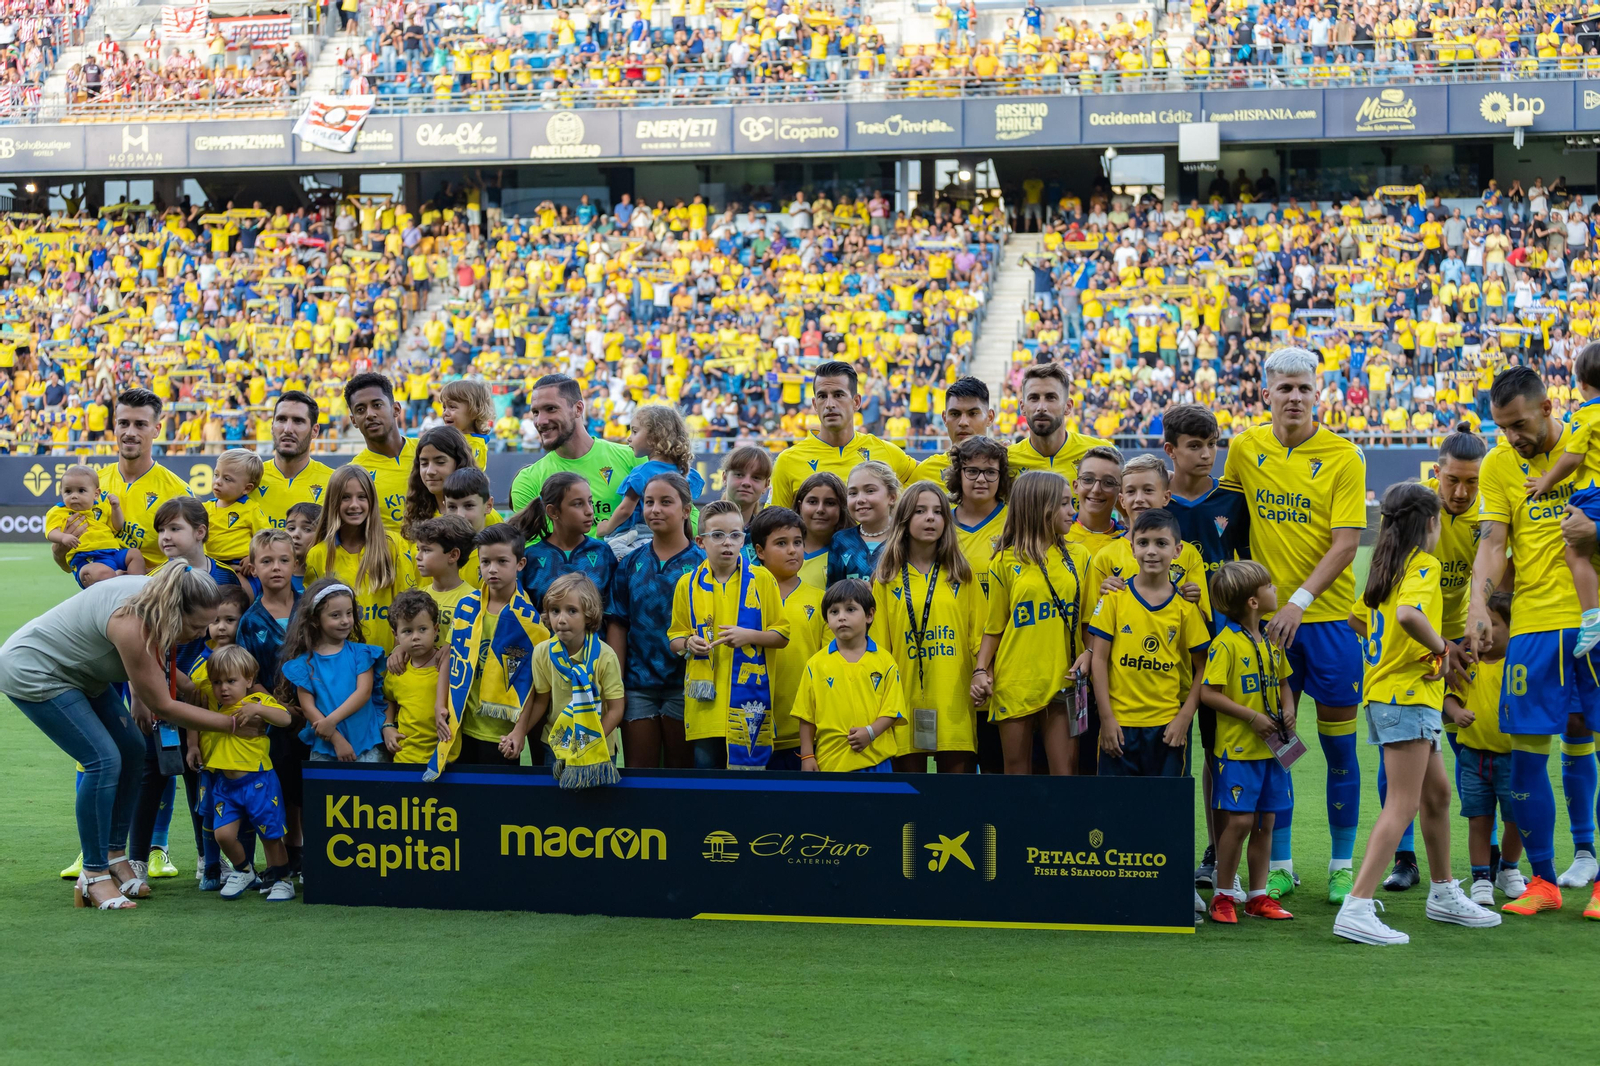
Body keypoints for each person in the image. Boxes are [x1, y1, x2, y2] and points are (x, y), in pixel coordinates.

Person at [1220, 346, 1367, 903]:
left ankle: (1340, 865)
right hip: (1264, 627)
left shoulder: (1344, 455)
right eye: (1285, 387)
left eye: (1305, 387)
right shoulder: (1244, 447)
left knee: (1338, 751)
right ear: (1267, 394)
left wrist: (1299, 600)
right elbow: (1227, 526)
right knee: (1275, 741)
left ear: (1318, 393)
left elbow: (1347, 543)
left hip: (1325, 623)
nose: (1296, 397)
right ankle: (1279, 865)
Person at [0, 566, 233, 908]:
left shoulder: (158, 596)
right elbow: (164, 705)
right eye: (197, 626)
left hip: (81, 672)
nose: (202, 634)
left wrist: (190, 686)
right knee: (103, 760)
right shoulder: (132, 623)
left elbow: (156, 667)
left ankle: (113, 856)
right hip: (37, 671)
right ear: (174, 609)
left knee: (133, 749)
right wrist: (230, 724)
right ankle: (93, 876)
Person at [1337, 483, 1501, 944]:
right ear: (1432, 524)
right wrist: (1444, 650)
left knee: (1437, 796)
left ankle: (1444, 892)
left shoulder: (1383, 567)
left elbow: (1358, 620)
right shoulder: (1422, 565)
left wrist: (1396, 654)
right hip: (1405, 697)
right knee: (1404, 803)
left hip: (1395, 694)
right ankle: (1358, 904)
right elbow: (1409, 615)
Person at [1470, 365, 1600, 916]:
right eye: (1502, 427)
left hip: (1593, 620)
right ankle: (1543, 881)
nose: (1511, 438)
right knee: (1523, 755)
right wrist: (1477, 604)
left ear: (1548, 409)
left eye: (1519, 425)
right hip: (1532, 627)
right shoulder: (1499, 465)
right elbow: (1495, 542)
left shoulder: (1589, 442)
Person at [1380, 424, 1490, 891]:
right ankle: (1405, 858)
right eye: (1452, 481)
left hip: (1460, 642)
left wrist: (1466, 639)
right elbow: (1382, 595)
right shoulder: (1416, 511)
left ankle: (1483, 860)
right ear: (1436, 473)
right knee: (1404, 758)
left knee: (1471, 747)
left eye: (1472, 482)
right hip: (1415, 649)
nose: (1461, 492)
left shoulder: (1489, 516)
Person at [1162, 403, 1249, 889]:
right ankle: (1159, 847)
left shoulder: (1232, 503)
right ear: (1171, 450)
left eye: (1212, 445)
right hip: (1162, 651)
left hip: (1219, 651)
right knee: (1170, 752)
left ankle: (1217, 854)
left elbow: (1245, 570)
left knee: (1221, 754)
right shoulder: (1155, 503)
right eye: (1195, 446)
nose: (1206, 454)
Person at [974, 470, 1094, 775]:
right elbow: (995, 627)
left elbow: (1088, 621)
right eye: (1065, 503)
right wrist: (980, 669)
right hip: (1016, 680)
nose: (1072, 511)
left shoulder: (1079, 556)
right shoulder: (1003, 561)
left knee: (1066, 774)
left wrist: (1090, 654)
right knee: (1016, 775)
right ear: (1041, 507)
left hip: (1066, 679)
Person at [1201, 561, 1297, 923]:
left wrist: (1288, 709)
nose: (1276, 589)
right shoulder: (1224, 644)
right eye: (1269, 585)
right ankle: (1223, 894)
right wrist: (1251, 716)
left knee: (1265, 823)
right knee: (1239, 823)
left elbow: (1285, 683)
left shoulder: (1273, 638)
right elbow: (1208, 694)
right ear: (1254, 602)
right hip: (1238, 751)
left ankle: (1258, 897)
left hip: (1272, 750)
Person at [1088, 509, 1210, 778]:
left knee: (1164, 814)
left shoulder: (1186, 609)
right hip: (1119, 725)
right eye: (1143, 543)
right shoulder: (1113, 599)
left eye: (1161, 543)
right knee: (1115, 814)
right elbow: (1098, 659)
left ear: (1177, 551)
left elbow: (1203, 667)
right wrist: (1106, 719)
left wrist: (1184, 718)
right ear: (1132, 548)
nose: (1151, 551)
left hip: (1166, 727)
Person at [669, 500, 790, 770]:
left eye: (735, 535)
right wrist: (689, 643)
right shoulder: (687, 585)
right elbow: (675, 639)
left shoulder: (762, 580)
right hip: (705, 708)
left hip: (750, 707)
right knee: (709, 786)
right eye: (718, 535)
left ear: (743, 539)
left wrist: (750, 636)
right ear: (701, 542)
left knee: (750, 791)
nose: (727, 542)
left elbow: (782, 636)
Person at [871, 482, 980, 773]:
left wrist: (982, 674)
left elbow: (979, 637)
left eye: (937, 511)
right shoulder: (886, 579)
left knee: (955, 798)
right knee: (911, 800)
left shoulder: (961, 575)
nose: (930, 517)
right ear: (904, 520)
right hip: (904, 701)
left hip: (954, 698)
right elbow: (879, 648)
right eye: (920, 511)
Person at [431, 524, 550, 774]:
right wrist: (440, 705)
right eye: (485, 562)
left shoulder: (529, 623)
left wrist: (519, 732)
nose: (492, 569)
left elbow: (533, 687)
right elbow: (448, 659)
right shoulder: (466, 606)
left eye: (502, 561)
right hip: (460, 725)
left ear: (520, 564)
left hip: (500, 737)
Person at [612, 473, 704, 770]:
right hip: (638, 686)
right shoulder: (629, 563)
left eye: (666, 502)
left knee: (681, 777)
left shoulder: (704, 565)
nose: (655, 509)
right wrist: (615, 685)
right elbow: (618, 624)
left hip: (687, 686)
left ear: (686, 510)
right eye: (649, 502)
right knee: (640, 774)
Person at [190, 644, 295, 902]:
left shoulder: (256, 702)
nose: (223, 688)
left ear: (249, 680)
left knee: (270, 836)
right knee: (222, 835)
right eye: (217, 682)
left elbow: (285, 719)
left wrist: (258, 709)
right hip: (225, 785)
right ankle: (244, 870)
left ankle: (282, 879)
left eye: (231, 681)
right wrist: (193, 745)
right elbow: (192, 710)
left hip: (258, 782)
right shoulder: (213, 705)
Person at [52, 387, 192, 574]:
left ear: (156, 429)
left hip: (154, 597)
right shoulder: (91, 484)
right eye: (124, 423)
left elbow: (192, 562)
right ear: (115, 426)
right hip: (99, 597)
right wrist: (61, 549)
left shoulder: (178, 492)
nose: (130, 432)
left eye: (140, 424)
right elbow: (64, 564)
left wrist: (135, 578)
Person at [504, 573, 625, 788]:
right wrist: (519, 732)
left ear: (589, 615)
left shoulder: (605, 656)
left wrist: (588, 742)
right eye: (555, 611)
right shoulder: (542, 652)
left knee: (596, 810)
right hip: (556, 743)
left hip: (598, 746)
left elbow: (616, 709)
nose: (561, 619)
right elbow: (541, 699)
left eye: (572, 611)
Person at [1447, 591, 1527, 905]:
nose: (1484, 634)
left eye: (1493, 626)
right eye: (1480, 627)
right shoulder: (1470, 662)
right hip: (1473, 759)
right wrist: (1455, 713)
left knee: (1516, 819)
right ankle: (1481, 877)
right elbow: (1449, 694)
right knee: (1478, 819)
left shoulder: (1518, 664)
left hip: (1512, 759)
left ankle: (1508, 869)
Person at [235, 528, 306, 881]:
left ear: (295, 564)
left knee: (312, 784)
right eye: (266, 561)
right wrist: (276, 705)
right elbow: (249, 673)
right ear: (253, 567)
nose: (276, 568)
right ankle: (291, 855)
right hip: (277, 718)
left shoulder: (311, 605)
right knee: (283, 785)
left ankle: (315, 852)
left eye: (283, 560)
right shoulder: (249, 621)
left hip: (318, 713)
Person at [1525, 343, 1600, 656]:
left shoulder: (1585, 416)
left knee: (1575, 554)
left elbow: (1572, 457)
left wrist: (1547, 480)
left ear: (1580, 384)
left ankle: (1591, 619)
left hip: (1593, 493)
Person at [792, 579, 908, 773]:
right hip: (829, 764)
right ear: (827, 620)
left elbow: (893, 711)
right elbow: (806, 716)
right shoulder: (815, 664)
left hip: (876, 763)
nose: (841, 617)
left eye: (850, 609)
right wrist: (807, 755)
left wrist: (870, 733)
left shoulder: (885, 661)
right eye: (834, 612)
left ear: (869, 615)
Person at [768, 360, 918, 509]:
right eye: (822, 396)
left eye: (838, 395)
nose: (829, 404)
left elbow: (930, 479)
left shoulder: (886, 452)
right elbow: (773, 525)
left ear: (856, 402)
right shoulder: (787, 461)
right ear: (814, 405)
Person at [305, 466, 419, 653]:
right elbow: (314, 617)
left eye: (362, 497)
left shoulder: (393, 545)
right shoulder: (318, 554)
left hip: (390, 662)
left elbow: (408, 604)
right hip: (342, 665)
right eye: (345, 497)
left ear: (372, 501)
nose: (354, 505)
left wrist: (400, 649)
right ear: (333, 502)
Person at [509, 374, 641, 533]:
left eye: (551, 409)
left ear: (578, 409)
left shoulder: (634, 459)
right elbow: (535, 553)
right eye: (536, 412)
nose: (540, 421)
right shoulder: (528, 481)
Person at [277, 578, 390, 764]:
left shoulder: (361, 653)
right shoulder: (304, 663)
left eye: (349, 613)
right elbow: (308, 707)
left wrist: (331, 722)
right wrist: (336, 739)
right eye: (335, 615)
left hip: (366, 745)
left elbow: (364, 692)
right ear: (315, 619)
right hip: (326, 748)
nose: (345, 621)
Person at [1088, 454, 1211, 622]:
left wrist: (1193, 602)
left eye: (1148, 490)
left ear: (1166, 497)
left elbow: (1201, 625)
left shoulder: (1188, 555)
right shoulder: (1105, 557)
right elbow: (1091, 623)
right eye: (1131, 491)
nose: (1139, 499)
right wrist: (1103, 596)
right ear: (1122, 501)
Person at [749, 506, 825, 771]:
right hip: (749, 728)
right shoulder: (743, 595)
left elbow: (827, 664)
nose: (792, 550)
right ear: (760, 552)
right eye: (781, 543)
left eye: (797, 542)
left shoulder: (821, 600)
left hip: (803, 734)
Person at [512, 472, 619, 631]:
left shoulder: (603, 553)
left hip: (596, 654)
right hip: (544, 654)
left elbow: (614, 616)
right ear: (553, 512)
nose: (589, 511)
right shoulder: (531, 558)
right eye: (578, 504)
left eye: (590, 502)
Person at [597, 404, 704, 545]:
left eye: (634, 432)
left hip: (637, 538)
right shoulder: (684, 472)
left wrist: (606, 527)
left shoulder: (642, 473)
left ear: (655, 437)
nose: (629, 438)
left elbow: (625, 510)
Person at [1006, 362, 1111, 482]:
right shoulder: (1006, 462)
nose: (1041, 407)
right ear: (1022, 407)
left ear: (1068, 406)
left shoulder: (1101, 454)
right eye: (1033, 398)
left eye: (1051, 397)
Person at [383, 590, 451, 766]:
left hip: (447, 761)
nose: (415, 637)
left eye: (422, 629)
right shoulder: (396, 670)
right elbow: (388, 698)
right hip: (406, 759)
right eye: (407, 631)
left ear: (435, 630)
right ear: (395, 635)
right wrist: (388, 726)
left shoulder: (449, 668)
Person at [47, 464, 144, 588]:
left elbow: (117, 526)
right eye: (68, 491)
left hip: (112, 553)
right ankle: (118, 578)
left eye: (81, 491)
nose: (74, 496)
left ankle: (136, 589)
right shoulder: (59, 511)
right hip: (86, 559)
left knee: (134, 554)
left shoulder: (101, 507)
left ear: (96, 494)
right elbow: (50, 532)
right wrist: (63, 537)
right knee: (102, 573)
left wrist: (116, 508)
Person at [346, 372, 419, 533]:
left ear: (396, 409)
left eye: (377, 405)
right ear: (353, 421)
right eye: (360, 409)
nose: (370, 414)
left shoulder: (429, 451)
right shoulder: (354, 473)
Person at [945, 437, 1010, 604]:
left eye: (990, 472)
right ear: (959, 474)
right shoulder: (942, 524)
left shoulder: (1015, 522)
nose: (981, 479)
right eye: (972, 471)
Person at [254, 391, 332, 530]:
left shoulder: (333, 482)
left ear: (315, 430)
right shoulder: (249, 480)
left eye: (298, 421)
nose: (288, 429)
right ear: (272, 426)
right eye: (281, 419)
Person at [826, 461, 901, 584]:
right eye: (853, 493)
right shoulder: (841, 541)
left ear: (892, 497)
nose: (860, 499)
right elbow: (834, 595)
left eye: (870, 491)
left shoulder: (905, 538)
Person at [912, 376, 994, 485]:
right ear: (944, 418)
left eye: (973, 413)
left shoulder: (1009, 466)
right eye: (955, 414)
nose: (963, 422)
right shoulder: (926, 473)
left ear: (990, 417)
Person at [401, 425, 477, 542]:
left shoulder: (483, 516)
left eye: (440, 462)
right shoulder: (415, 517)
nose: (430, 471)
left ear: (459, 463)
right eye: (424, 463)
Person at [203, 449, 267, 571]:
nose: (218, 482)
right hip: (210, 565)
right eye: (216, 475)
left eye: (227, 479)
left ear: (247, 488)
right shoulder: (204, 509)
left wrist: (253, 557)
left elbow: (265, 538)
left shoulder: (250, 509)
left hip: (242, 567)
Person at [154, 499, 242, 587]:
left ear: (200, 532)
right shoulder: (153, 580)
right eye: (161, 530)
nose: (165, 537)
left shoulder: (227, 576)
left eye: (174, 529)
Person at [413, 515, 475, 634]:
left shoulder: (473, 600)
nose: (418, 556)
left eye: (426, 550)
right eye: (418, 549)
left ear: (453, 555)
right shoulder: (416, 598)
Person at [1066, 446, 1125, 557]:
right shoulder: (1057, 537)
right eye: (1088, 480)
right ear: (1075, 486)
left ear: (1121, 491)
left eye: (1108, 482)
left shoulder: (1130, 542)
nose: (1096, 490)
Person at [794, 470, 847, 590]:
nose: (820, 509)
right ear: (800, 506)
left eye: (830, 503)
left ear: (842, 508)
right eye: (812, 502)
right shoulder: (782, 550)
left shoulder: (848, 556)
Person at [439, 378, 495, 470]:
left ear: (473, 411)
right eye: (444, 408)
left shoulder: (474, 444)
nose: (445, 413)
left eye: (452, 407)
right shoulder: (449, 438)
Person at [720, 445, 774, 533]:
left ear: (766, 485)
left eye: (756, 477)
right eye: (739, 475)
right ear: (724, 478)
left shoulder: (768, 534)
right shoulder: (702, 526)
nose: (746, 483)